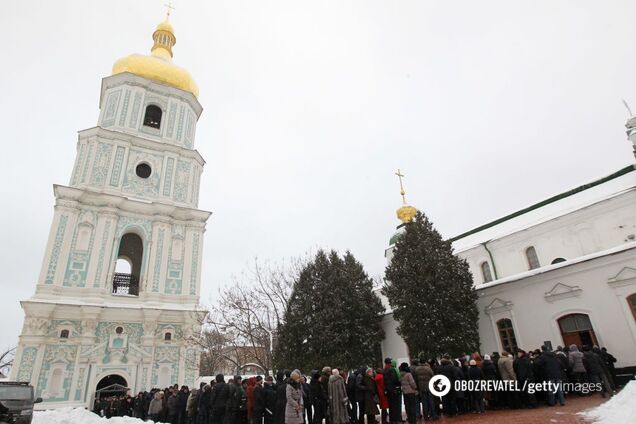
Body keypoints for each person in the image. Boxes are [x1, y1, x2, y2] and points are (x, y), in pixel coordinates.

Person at [382, 359, 402, 424]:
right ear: (389, 363)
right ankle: (395, 420)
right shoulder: (391, 370)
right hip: (393, 390)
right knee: (395, 405)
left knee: (390, 406)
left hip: (388, 390)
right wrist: (399, 383)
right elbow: (395, 379)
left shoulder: (384, 370)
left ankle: (392, 420)